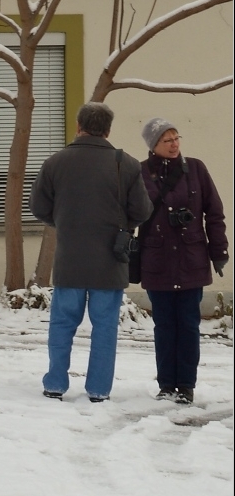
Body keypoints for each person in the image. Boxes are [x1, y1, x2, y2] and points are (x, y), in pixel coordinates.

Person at [30, 102, 153, 402]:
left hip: (70, 258)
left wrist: (61, 222)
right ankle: (98, 389)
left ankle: (56, 383)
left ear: (78, 125)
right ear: (108, 129)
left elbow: (38, 207)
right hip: (110, 261)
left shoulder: (56, 162)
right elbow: (142, 210)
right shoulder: (127, 164)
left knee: (62, 324)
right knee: (105, 328)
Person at [139, 118, 229, 405]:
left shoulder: (196, 169)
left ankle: (186, 386)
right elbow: (130, 214)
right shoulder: (141, 173)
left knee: (188, 325)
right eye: (167, 140)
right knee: (164, 325)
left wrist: (219, 250)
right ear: (153, 145)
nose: (174, 144)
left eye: (177, 138)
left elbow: (214, 213)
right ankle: (166, 384)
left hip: (191, 257)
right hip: (157, 259)